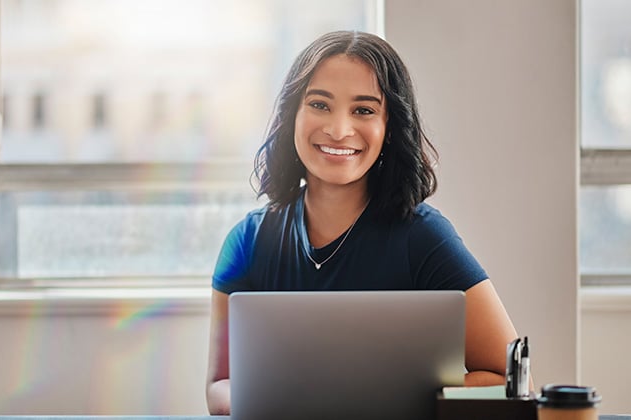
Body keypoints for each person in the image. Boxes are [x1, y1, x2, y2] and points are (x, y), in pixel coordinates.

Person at [205, 30, 519, 415]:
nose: (339, 130)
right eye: (320, 104)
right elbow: (219, 385)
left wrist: (395, 400)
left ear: (389, 127)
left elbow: (511, 382)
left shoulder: (424, 237)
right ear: (292, 116)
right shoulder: (246, 242)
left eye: (364, 110)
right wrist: (278, 404)